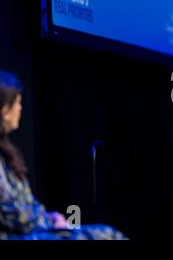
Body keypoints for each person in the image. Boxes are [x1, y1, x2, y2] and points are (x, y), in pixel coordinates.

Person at [0, 70, 127, 240]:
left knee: (107, 233)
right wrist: (49, 222)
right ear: (4, 110)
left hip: (31, 229)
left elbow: (25, 203)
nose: (20, 108)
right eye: (17, 103)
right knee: (107, 236)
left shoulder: (7, 152)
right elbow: (10, 211)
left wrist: (50, 216)